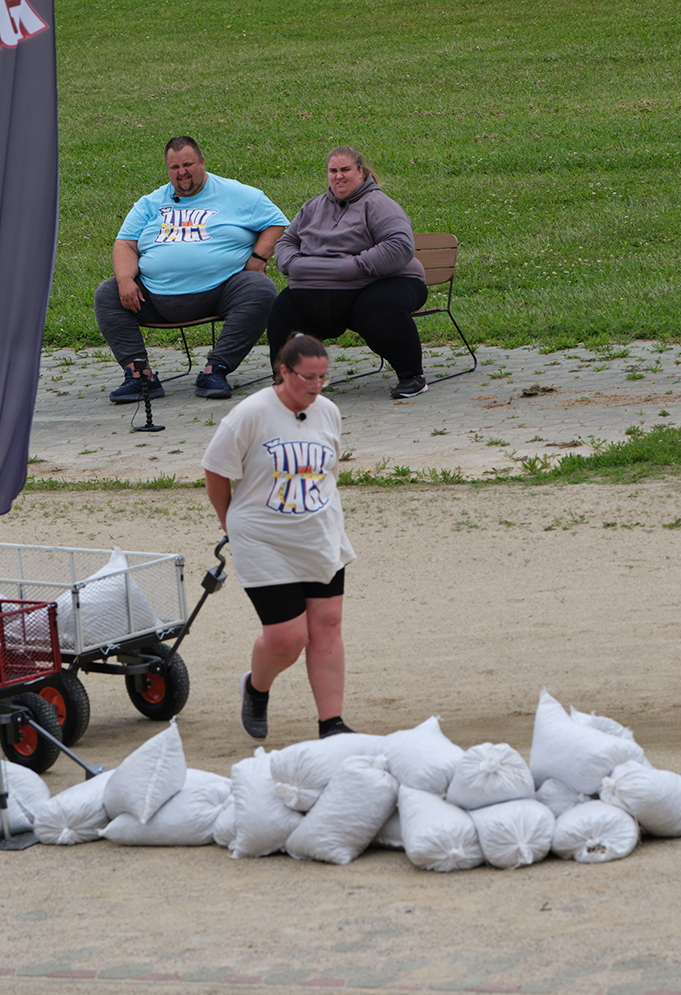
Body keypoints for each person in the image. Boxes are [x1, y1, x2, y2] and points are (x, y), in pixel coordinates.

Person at [202, 334, 359, 740]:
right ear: (284, 371)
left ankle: (332, 724)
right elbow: (216, 470)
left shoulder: (328, 412)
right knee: (288, 637)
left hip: (318, 533)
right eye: (307, 377)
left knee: (327, 622)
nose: (315, 386)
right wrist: (228, 521)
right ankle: (256, 688)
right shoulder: (250, 414)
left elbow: (328, 471)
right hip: (263, 538)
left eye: (323, 377)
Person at [94, 136, 288, 403]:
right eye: (174, 167)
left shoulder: (238, 194)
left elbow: (277, 222)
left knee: (261, 289)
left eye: (188, 164)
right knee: (108, 292)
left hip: (220, 292)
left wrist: (257, 258)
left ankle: (215, 370)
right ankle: (139, 376)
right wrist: (126, 279)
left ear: (202, 162)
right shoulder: (150, 203)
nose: (182, 172)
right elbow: (125, 243)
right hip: (154, 296)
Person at [268, 146, 431, 400]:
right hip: (319, 288)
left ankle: (413, 376)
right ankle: (286, 381)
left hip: (386, 281)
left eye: (345, 170)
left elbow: (400, 246)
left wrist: (356, 266)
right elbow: (286, 242)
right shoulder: (312, 207)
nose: (338, 176)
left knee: (376, 309)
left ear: (360, 171)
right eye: (333, 171)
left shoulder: (379, 205)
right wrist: (292, 264)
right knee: (283, 309)